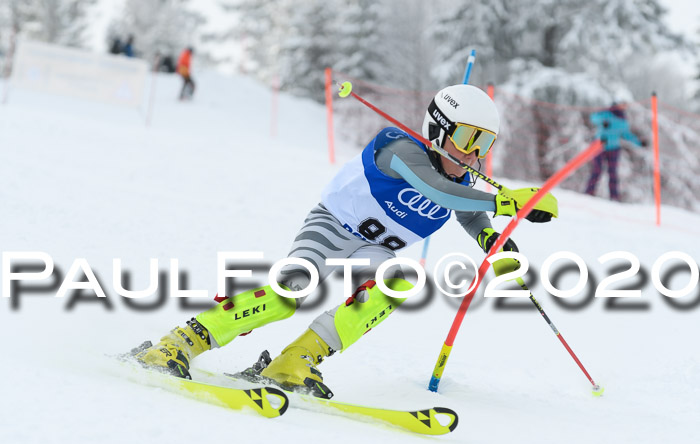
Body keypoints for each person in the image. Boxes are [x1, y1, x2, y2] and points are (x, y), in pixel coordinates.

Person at [129, 84, 558, 398]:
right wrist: (508, 201)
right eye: (467, 139)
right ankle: (180, 342)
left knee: (400, 284)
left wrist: (494, 240)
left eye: (484, 144)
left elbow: (466, 209)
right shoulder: (398, 148)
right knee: (288, 294)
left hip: (375, 252)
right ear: (439, 129)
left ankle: (295, 361)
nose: (472, 155)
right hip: (332, 228)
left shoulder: (462, 179)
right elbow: (438, 192)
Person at [585, 103, 645, 201]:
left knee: (612, 173)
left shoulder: (623, 121)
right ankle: (589, 192)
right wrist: (603, 121)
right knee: (597, 170)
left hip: (613, 148)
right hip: (599, 146)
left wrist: (639, 143)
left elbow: (627, 135)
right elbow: (594, 118)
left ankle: (614, 197)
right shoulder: (606, 113)